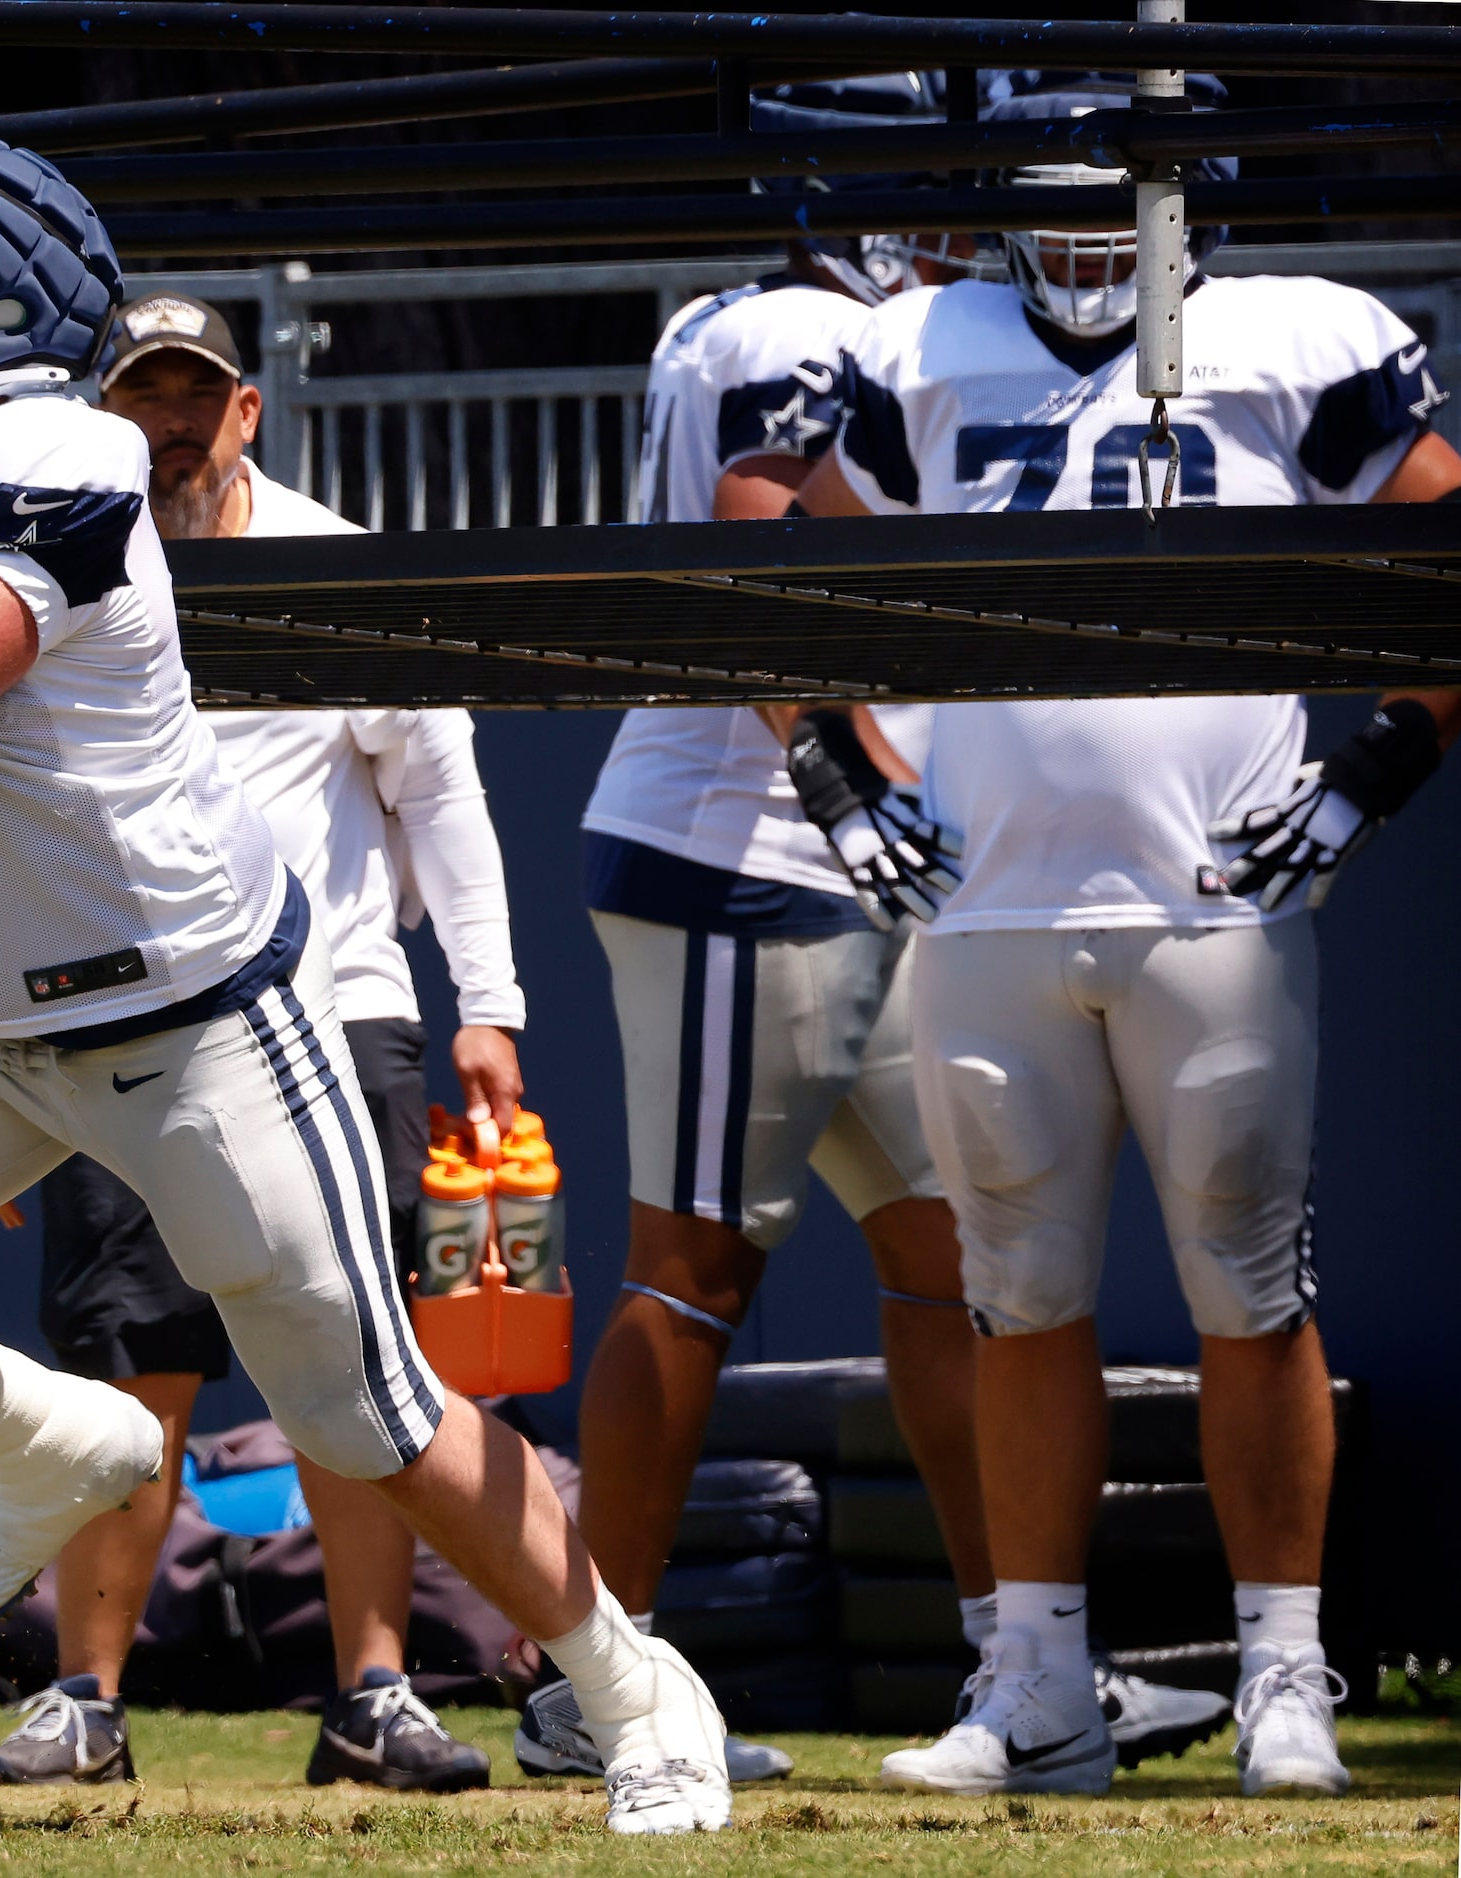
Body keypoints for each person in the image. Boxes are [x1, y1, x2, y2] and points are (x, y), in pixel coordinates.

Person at [0, 130, 734, 1834]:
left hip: (185, 1012)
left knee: (366, 1409)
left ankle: (630, 1685)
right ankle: (45, 1435)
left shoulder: (57, 456)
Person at [789, 73, 1460, 1799]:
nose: (1083, 240)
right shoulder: (923, 340)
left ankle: (1282, 1675)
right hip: (991, 897)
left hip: (1208, 895)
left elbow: (1446, 543)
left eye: (1119, 201)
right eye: (1057, 198)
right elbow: (790, 578)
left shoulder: (1295, 335)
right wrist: (840, 775)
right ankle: (1033, 1682)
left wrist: (1376, 764)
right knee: (1016, 1301)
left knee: (1248, 1289)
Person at [0, 293, 527, 1791]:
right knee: (119, 1369)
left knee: (353, 1371)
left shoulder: (335, 567)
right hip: (110, 1020)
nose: (166, 432)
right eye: (139, 401)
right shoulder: (42, 580)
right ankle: (83, 1696)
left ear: (245, 414)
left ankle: (377, 1696)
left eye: (192, 401)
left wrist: (488, 1008)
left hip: (335, 1010)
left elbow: (445, 796)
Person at [543, 73, 1000, 1788]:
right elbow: (751, 557)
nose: (960, 237)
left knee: (953, 1263)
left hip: (830, 859)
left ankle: (1008, 1667)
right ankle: (591, 1682)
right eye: (929, 196)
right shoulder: (792, 328)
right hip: (744, 842)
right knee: (695, 1267)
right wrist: (860, 776)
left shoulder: (765, 320)